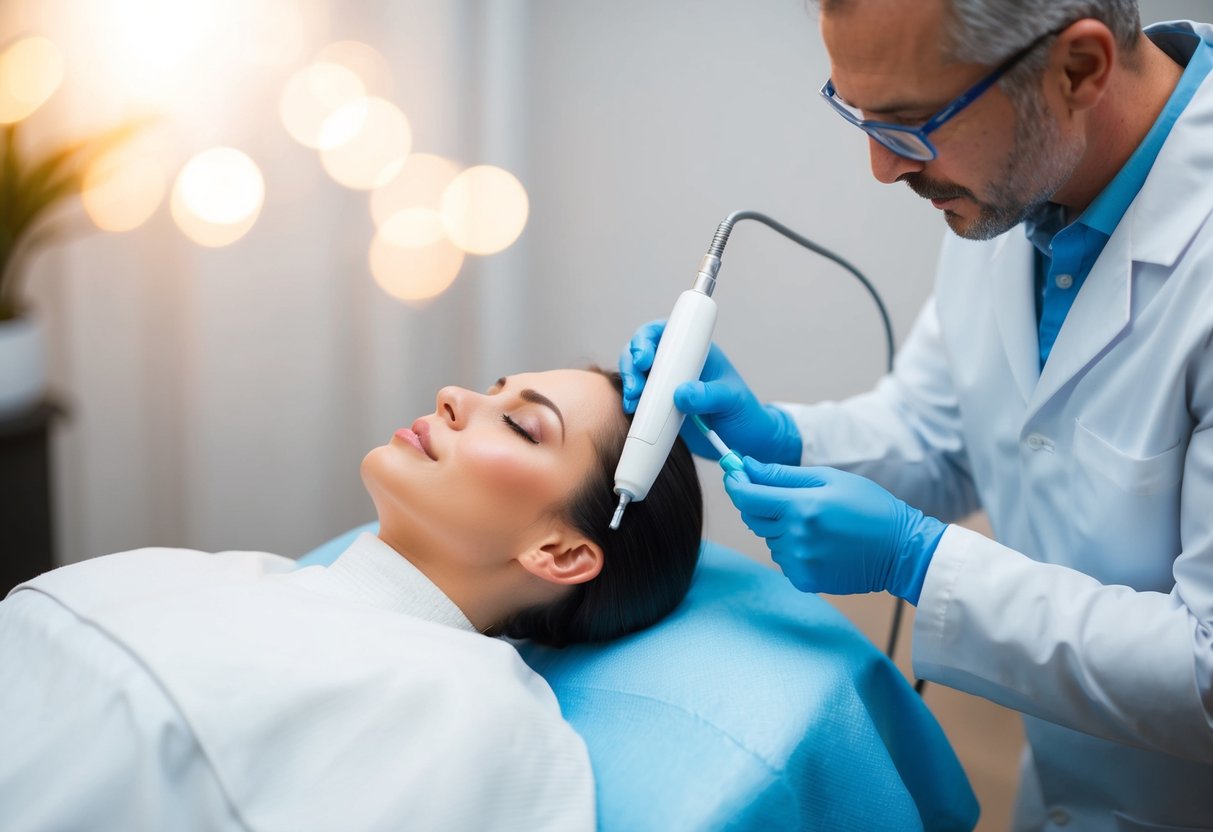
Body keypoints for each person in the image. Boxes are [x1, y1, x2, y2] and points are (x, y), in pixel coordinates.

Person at [622, 1, 1213, 829]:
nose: (879, 167)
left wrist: (919, 564)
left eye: (906, 125)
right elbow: (947, 429)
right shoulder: (1019, 181)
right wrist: (781, 436)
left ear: (1078, 69)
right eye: (855, 111)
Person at [0, 367, 703, 832]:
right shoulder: (214, 575)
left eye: (521, 425)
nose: (454, 397)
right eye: (493, 388)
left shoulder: (479, 720)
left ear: (559, 553)